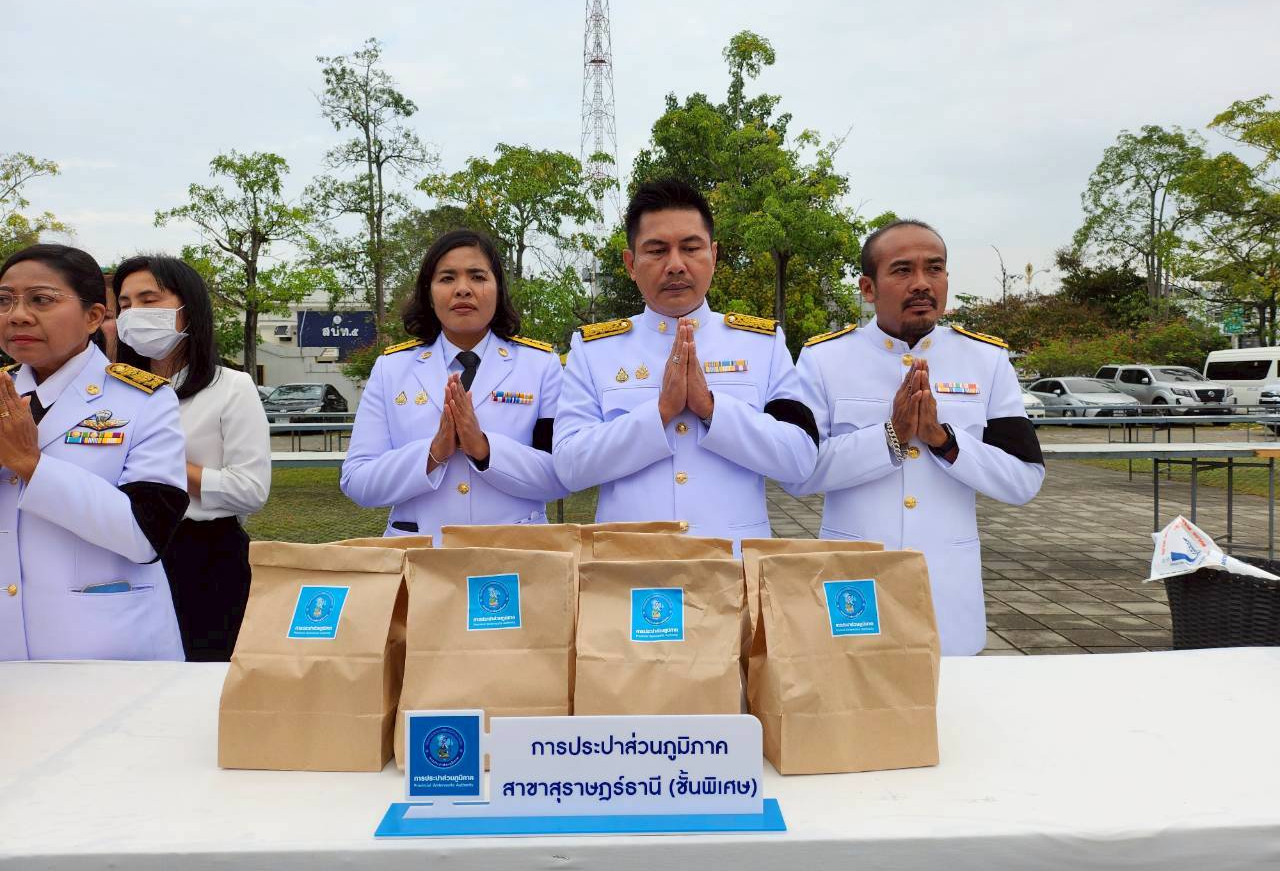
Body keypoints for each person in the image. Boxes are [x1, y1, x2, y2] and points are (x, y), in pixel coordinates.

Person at [783, 219, 1044, 655]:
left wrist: (944, 441)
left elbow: (1024, 480)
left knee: (952, 712)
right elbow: (796, 473)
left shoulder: (987, 360)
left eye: (935, 269)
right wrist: (891, 436)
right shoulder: (824, 359)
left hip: (945, 584)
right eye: (903, 270)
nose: (922, 283)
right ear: (868, 288)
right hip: (855, 582)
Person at [554, 178, 818, 545]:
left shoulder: (763, 344)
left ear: (714, 254)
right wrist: (660, 412)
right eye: (657, 250)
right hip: (629, 573)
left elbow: (800, 459)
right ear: (631, 264)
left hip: (732, 567)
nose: (675, 265)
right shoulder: (594, 350)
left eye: (691, 248)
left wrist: (712, 410)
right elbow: (569, 467)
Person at [0, 244, 188, 660]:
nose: (17, 315)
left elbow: (145, 536)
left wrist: (32, 465)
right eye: (4, 300)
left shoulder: (142, 400)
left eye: (41, 300)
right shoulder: (3, 391)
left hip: (108, 648)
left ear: (93, 316)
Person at [341, 229, 567, 543]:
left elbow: (561, 475)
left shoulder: (540, 366)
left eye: (477, 276)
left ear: (498, 288)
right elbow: (357, 481)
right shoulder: (391, 369)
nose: (463, 289)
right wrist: (433, 453)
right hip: (421, 557)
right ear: (428, 293)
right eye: (447, 278)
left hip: (516, 559)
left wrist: (484, 448)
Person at [114, 255, 271, 661]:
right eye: (126, 304)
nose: (135, 313)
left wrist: (163, 466)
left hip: (205, 555)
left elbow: (250, 490)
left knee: (203, 677)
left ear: (188, 310)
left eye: (150, 300)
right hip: (123, 550)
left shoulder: (230, 387)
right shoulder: (113, 393)